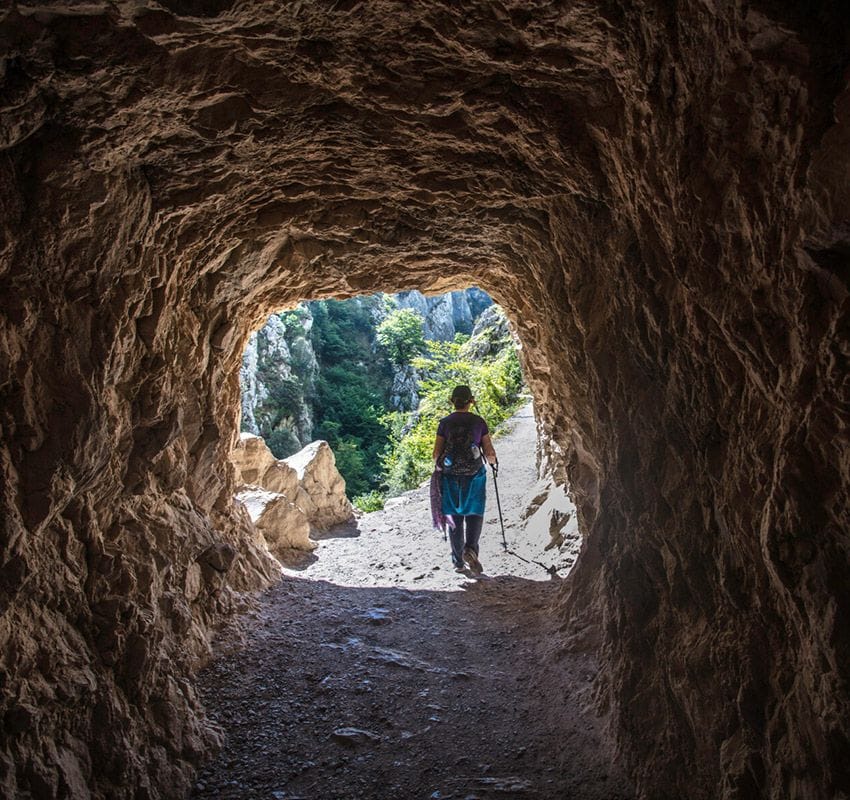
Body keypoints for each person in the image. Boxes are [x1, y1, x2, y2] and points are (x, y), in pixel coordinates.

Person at [432, 385, 497, 574]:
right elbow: (489, 452)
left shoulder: (445, 423)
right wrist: (493, 463)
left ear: (452, 401)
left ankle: (458, 561)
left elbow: (436, 453)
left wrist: (441, 467)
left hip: (450, 476)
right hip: (475, 475)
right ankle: (471, 550)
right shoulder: (479, 422)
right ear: (471, 401)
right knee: (475, 512)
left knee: (455, 516)